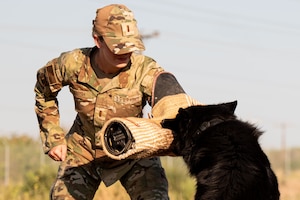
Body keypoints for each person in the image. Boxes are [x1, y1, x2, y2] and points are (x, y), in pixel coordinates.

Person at [34, 4, 197, 200]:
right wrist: (53, 136)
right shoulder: (72, 64)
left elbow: (170, 100)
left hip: (134, 152)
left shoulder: (145, 70)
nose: (125, 52)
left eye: (130, 46)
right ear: (97, 40)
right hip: (83, 151)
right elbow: (44, 93)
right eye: (118, 46)